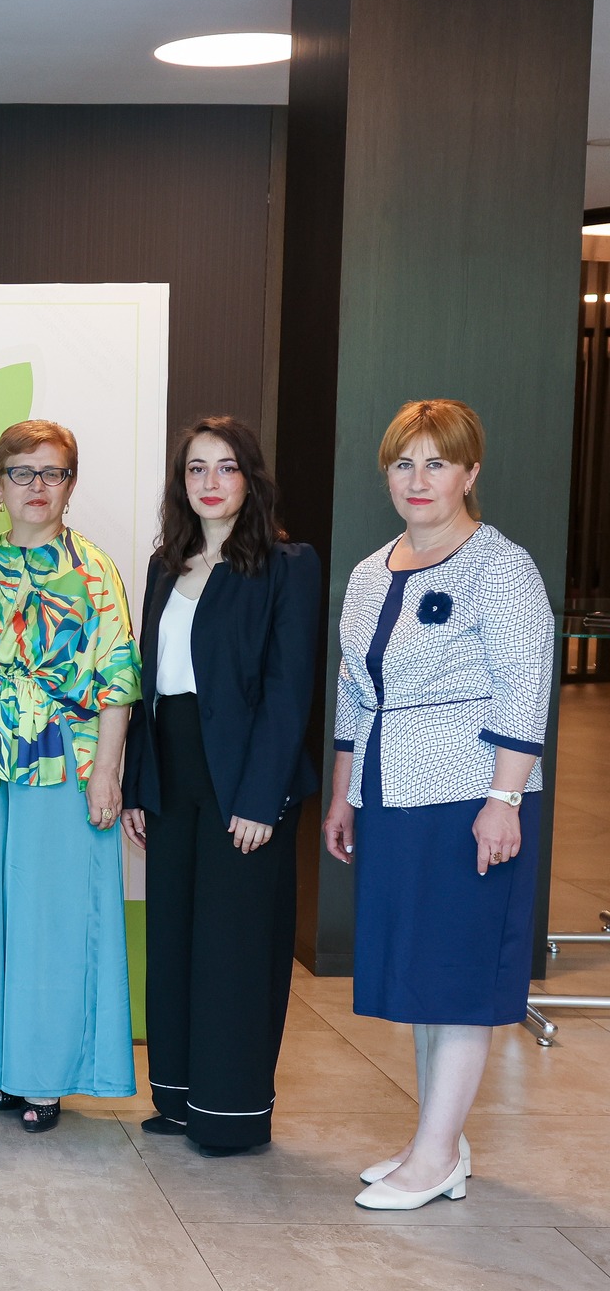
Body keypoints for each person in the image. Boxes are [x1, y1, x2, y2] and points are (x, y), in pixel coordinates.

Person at [322, 398, 555, 1211]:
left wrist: (504, 799)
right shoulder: (368, 571)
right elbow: (354, 689)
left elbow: (525, 687)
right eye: (403, 463)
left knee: (457, 975)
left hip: (468, 797)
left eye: (436, 463)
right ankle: (439, 1144)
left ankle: (434, 1156)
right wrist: (345, 791)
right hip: (392, 792)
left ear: (469, 473)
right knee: (422, 974)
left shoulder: (501, 566)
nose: (417, 480)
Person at [0, 419, 141, 1134]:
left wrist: (107, 771)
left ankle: (43, 1075)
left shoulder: (93, 569)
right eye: (22, 472)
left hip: (64, 759)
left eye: (53, 472)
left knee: (50, 918)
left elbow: (118, 678)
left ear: (70, 485)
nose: (37, 486)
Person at [121, 417, 320, 1155]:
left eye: (226, 467)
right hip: (171, 769)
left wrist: (261, 797)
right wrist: (138, 784)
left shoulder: (286, 564)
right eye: (196, 468)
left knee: (234, 946)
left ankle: (229, 1113)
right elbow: (146, 686)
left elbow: (288, 690)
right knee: (174, 937)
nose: (210, 482)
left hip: (244, 776)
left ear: (251, 479)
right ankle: (176, 1098)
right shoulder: (163, 566)